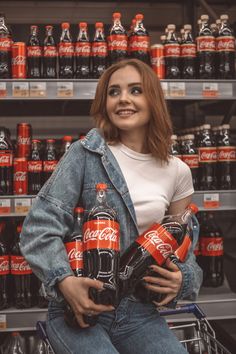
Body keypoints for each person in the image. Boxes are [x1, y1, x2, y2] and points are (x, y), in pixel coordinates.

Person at [20, 58, 203, 354]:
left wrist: (182, 280)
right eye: (113, 92)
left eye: (135, 90)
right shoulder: (85, 154)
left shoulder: (177, 171)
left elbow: (182, 249)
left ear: (153, 99)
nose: (123, 99)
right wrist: (64, 282)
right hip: (80, 311)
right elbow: (38, 228)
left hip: (140, 314)